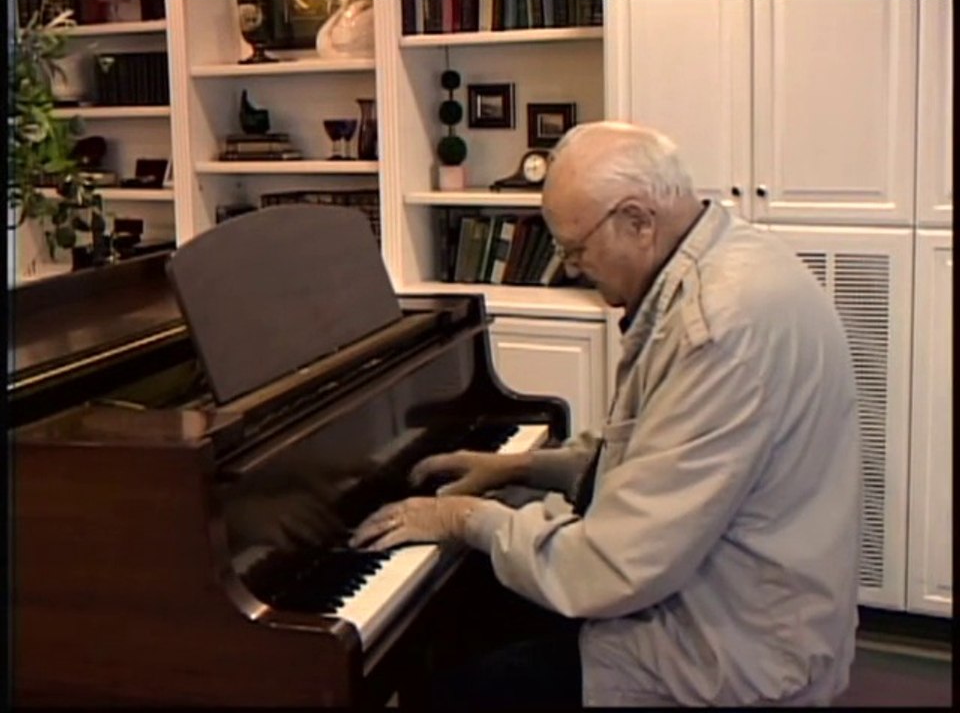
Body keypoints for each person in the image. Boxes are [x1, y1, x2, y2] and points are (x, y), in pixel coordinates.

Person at [350, 121, 862, 707]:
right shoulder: (730, 258)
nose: (569, 267)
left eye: (575, 248)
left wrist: (463, 518)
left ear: (639, 222)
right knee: (476, 602)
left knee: (468, 685)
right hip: (732, 592)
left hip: (732, 647)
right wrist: (517, 469)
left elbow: (613, 566)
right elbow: (654, 446)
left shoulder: (719, 327)